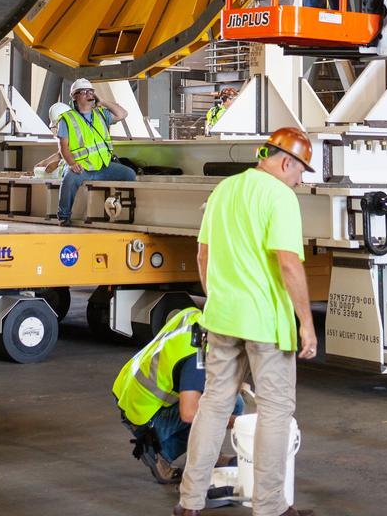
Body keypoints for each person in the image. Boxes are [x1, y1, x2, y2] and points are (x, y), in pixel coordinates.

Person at [174, 127, 318, 516]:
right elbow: (288, 262)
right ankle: (270, 507)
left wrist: (217, 297)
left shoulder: (224, 190)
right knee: (274, 411)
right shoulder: (280, 196)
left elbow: (202, 255)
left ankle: (189, 503)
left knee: (213, 407)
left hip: (221, 318)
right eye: (301, 171)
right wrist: (306, 322)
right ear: (286, 161)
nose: (300, 180)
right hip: (265, 323)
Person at [114, 305, 244, 486]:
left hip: (128, 390)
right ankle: (162, 454)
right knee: (230, 405)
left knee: (226, 396)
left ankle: (210, 454)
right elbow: (189, 413)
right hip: (143, 415)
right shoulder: (195, 358)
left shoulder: (193, 316)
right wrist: (237, 422)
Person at [55, 79, 136, 225]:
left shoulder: (101, 114)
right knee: (68, 180)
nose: (89, 94)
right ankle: (64, 217)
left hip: (103, 165)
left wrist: (103, 101)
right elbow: (63, 146)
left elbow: (123, 113)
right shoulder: (67, 119)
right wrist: (72, 163)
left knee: (129, 174)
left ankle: (122, 212)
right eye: (84, 92)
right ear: (75, 96)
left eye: (91, 91)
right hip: (82, 167)